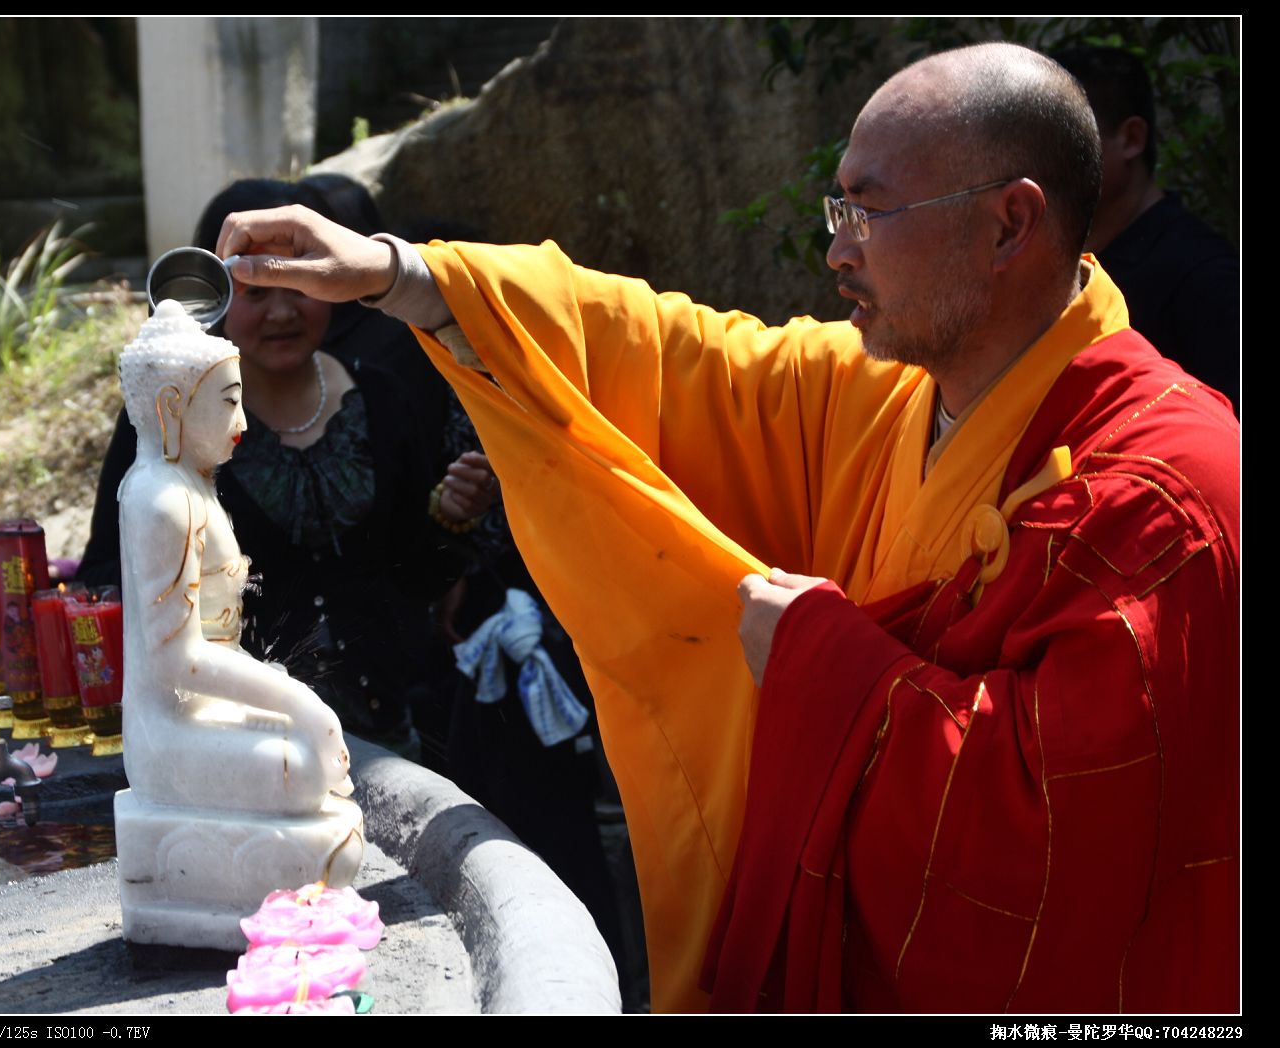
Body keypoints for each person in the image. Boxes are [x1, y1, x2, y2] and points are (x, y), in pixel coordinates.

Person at [212, 42, 1239, 1013]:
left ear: (1012, 224)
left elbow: (1061, 854)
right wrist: (398, 275)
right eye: (838, 206)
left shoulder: (1164, 492)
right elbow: (670, 351)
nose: (837, 249)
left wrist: (820, 662)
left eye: (869, 213)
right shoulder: (883, 392)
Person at [79, 180, 493, 755]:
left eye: (298, 284)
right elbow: (109, 576)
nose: (281, 311)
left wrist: (450, 518)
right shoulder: (166, 419)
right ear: (215, 297)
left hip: (383, 734)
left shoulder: (380, 397)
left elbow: (412, 582)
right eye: (254, 292)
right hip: (228, 745)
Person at [1051, 46, 1239, 411]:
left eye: (1060, 141)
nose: (1036, 164)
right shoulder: (1064, 265)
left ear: (1131, 139)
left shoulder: (1207, 281)